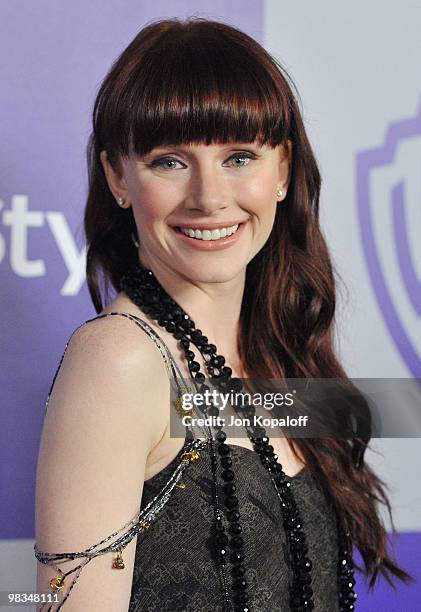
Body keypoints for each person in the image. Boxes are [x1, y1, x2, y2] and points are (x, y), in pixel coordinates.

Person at [34, 16, 411, 612]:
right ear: (117, 176)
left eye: (239, 156)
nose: (209, 197)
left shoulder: (279, 353)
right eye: (169, 161)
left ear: (282, 171)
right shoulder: (119, 360)